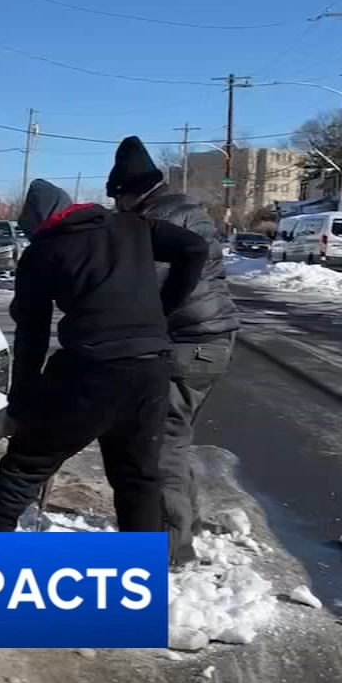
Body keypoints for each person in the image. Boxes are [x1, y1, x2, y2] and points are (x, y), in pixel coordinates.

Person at [0, 179, 208, 534]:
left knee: (24, 468)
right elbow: (195, 248)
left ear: (38, 223)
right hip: (151, 368)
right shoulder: (132, 225)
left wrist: (21, 406)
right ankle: (140, 564)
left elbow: (32, 335)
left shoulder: (43, 250)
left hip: (91, 370)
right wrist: (162, 311)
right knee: (138, 479)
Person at [106, 137, 241, 565]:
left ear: (129, 192)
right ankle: (185, 524)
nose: (118, 208)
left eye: (118, 200)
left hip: (188, 341)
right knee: (176, 439)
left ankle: (167, 549)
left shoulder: (155, 222)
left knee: (159, 444)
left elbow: (144, 287)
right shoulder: (185, 208)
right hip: (212, 338)